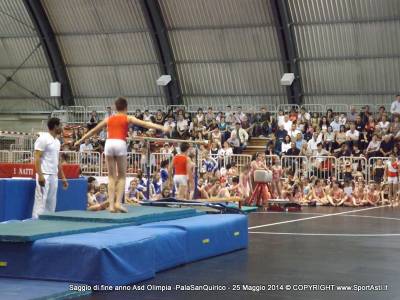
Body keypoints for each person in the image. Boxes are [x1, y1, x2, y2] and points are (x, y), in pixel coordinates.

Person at [74, 97, 167, 213]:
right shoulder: (128, 117)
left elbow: (93, 131)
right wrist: (161, 127)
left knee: (111, 177)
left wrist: (80, 141)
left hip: (109, 143)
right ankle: (118, 202)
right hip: (120, 143)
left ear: (115, 107)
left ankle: (111, 206)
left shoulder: (109, 119)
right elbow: (145, 124)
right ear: (126, 107)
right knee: (122, 176)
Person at [32, 118, 68, 219]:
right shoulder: (43, 139)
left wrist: (63, 177)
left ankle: (48, 222)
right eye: (60, 126)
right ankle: (36, 222)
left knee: (51, 202)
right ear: (55, 126)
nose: (62, 128)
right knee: (41, 201)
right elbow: (37, 157)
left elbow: (57, 161)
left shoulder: (57, 142)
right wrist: (40, 175)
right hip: (44, 174)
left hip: (54, 175)